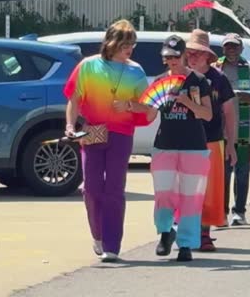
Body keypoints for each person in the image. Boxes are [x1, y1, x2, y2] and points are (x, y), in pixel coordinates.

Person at [63, 19, 151, 262]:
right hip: (93, 130)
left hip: (122, 134)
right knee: (91, 188)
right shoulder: (88, 66)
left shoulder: (136, 70)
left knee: (114, 189)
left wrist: (130, 105)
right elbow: (74, 100)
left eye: (132, 44)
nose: (129, 48)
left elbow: (148, 107)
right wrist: (70, 125)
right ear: (111, 42)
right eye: (125, 43)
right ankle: (98, 235)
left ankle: (112, 245)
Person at [150, 35, 213, 262]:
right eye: (168, 56)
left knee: (190, 197)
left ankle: (186, 244)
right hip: (164, 145)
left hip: (194, 146)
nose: (172, 60)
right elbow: (148, 115)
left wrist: (187, 102)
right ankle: (165, 232)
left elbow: (207, 114)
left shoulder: (197, 80)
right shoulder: (159, 80)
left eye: (176, 56)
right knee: (163, 194)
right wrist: (138, 105)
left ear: (184, 55)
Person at [185, 29, 237, 252]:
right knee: (187, 188)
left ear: (207, 56)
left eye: (197, 53)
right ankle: (189, 231)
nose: (192, 57)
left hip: (212, 139)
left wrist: (231, 144)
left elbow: (230, 112)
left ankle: (204, 233)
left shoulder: (219, 79)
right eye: (189, 53)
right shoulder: (181, 76)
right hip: (184, 141)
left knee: (209, 189)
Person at [215, 33, 250, 226]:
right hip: (222, 128)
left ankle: (239, 211)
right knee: (224, 172)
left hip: (245, 127)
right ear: (223, 49)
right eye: (228, 46)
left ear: (242, 49)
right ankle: (221, 212)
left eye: (235, 46)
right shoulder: (217, 69)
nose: (231, 50)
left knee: (242, 170)